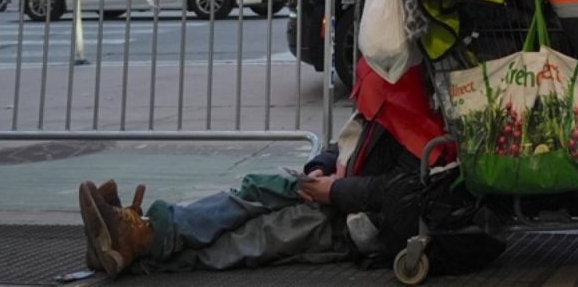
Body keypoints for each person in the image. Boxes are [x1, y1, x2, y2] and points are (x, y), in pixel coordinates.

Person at [76, 63, 455, 278]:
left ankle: (139, 242)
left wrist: (334, 192)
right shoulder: (399, 99)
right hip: (341, 190)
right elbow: (349, 142)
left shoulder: (432, 125)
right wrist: (320, 168)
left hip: (355, 220)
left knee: (259, 234)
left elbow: (402, 193)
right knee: (258, 188)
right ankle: (144, 234)